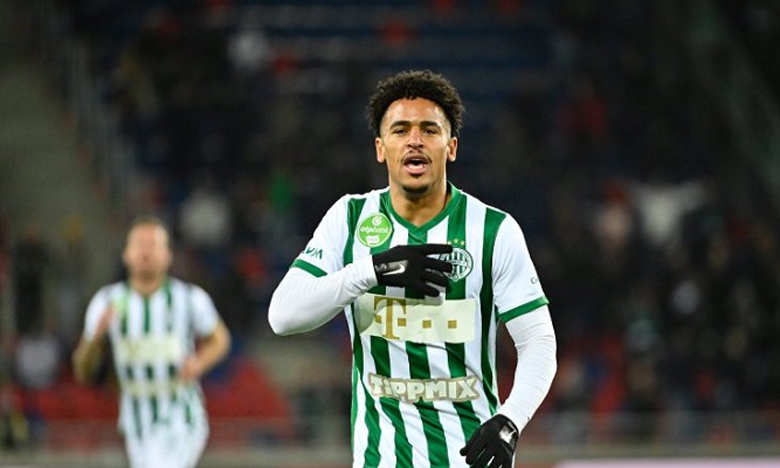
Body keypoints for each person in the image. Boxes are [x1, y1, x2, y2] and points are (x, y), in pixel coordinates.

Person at [269, 70, 557, 468]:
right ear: (380, 148)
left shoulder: (493, 230)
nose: (415, 140)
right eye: (400, 130)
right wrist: (372, 270)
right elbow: (283, 316)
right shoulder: (349, 219)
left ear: (451, 147)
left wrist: (511, 419)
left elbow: (538, 341)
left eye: (429, 130)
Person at [72, 216, 231, 468]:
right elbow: (82, 371)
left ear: (168, 255)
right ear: (126, 254)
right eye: (139, 244)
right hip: (136, 424)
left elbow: (220, 339)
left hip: (180, 417)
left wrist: (199, 362)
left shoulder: (189, 298)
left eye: (153, 244)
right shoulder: (106, 301)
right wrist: (95, 340)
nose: (146, 251)